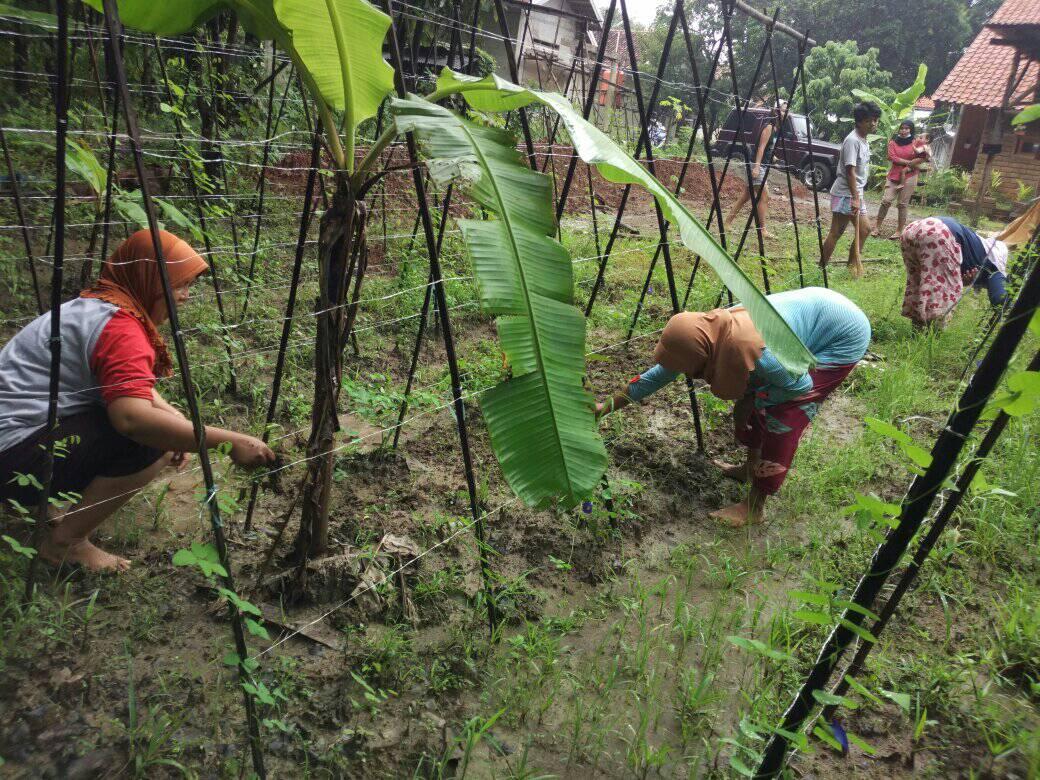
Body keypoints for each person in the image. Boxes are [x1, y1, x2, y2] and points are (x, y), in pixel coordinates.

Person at [0, 230, 276, 572]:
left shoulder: (96, 305)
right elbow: (132, 419)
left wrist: (175, 419)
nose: (186, 297)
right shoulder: (122, 330)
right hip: (11, 455)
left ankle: (41, 503)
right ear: (150, 280)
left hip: (14, 436)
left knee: (156, 427)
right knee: (148, 444)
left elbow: (123, 384)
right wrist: (229, 441)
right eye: (178, 285)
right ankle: (64, 544)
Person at [596, 287, 870, 528]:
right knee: (755, 395)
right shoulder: (706, 335)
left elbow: (799, 387)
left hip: (841, 335)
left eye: (694, 371)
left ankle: (755, 507)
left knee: (782, 414)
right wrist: (604, 407)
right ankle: (749, 468)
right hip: (815, 311)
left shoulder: (760, 356)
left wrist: (752, 399)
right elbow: (657, 375)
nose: (692, 377)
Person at [899, 216, 1009, 328]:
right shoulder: (996, 269)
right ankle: (931, 337)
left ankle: (916, 333)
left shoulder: (976, 249)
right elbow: (1001, 300)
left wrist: (964, 281)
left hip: (912, 230)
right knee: (940, 295)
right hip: (938, 233)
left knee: (917, 284)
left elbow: (950, 270)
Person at [820, 102, 882, 277]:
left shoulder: (863, 140)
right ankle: (821, 268)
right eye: (871, 120)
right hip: (845, 193)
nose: (874, 124)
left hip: (856, 193)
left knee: (865, 230)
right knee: (836, 232)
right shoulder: (852, 140)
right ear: (860, 121)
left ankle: (851, 266)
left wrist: (857, 196)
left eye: (876, 120)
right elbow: (850, 171)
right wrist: (855, 198)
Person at [724, 103, 782, 241]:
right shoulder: (769, 127)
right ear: (776, 111)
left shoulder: (775, 128)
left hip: (762, 164)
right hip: (757, 165)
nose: (786, 112)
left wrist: (772, 157)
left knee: (745, 197)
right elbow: (760, 147)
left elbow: (766, 147)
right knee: (764, 197)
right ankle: (762, 230)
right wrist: (756, 167)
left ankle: (727, 222)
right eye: (784, 110)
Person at [872, 120, 930, 240]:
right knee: (886, 200)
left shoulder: (916, 142)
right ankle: (877, 227)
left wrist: (922, 161)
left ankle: (899, 230)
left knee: (902, 204)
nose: (904, 130)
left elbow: (923, 155)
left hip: (910, 175)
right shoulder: (893, 142)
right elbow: (892, 157)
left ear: (911, 130)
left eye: (907, 128)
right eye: (902, 128)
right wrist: (910, 162)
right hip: (894, 175)